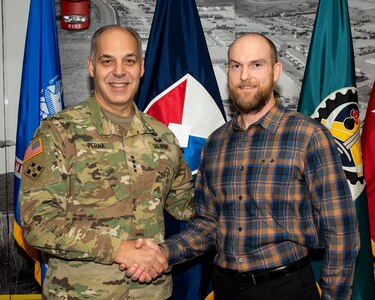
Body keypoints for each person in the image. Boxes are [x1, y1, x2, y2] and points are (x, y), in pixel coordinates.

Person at [128, 33, 360, 300]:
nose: (244, 76)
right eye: (236, 66)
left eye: (256, 65)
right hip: (226, 288)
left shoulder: (307, 136)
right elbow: (208, 224)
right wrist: (163, 253)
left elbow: (342, 232)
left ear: (276, 72)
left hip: (286, 288)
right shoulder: (215, 143)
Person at [19, 24, 194, 300]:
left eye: (129, 60)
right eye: (107, 61)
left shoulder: (163, 138)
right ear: (91, 67)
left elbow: (188, 208)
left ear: (142, 67)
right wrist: (118, 248)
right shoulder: (58, 133)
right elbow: (37, 223)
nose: (119, 71)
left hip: (152, 293)